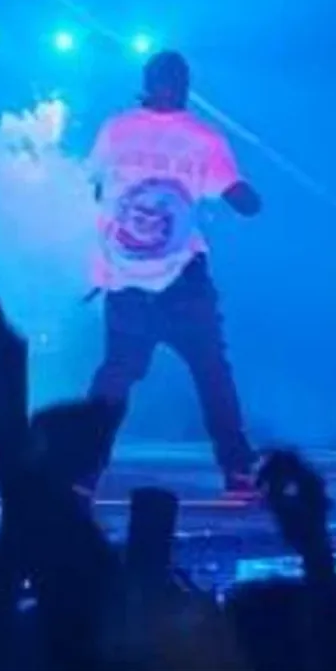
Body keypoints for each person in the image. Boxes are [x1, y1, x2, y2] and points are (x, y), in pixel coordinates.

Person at [84, 50, 261, 497]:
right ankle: (238, 469)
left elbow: (96, 185)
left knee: (125, 375)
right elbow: (239, 198)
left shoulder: (123, 130)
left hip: (151, 278)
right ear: (182, 86)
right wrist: (247, 196)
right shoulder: (198, 136)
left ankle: (82, 471)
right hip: (162, 282)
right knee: (205, 372)